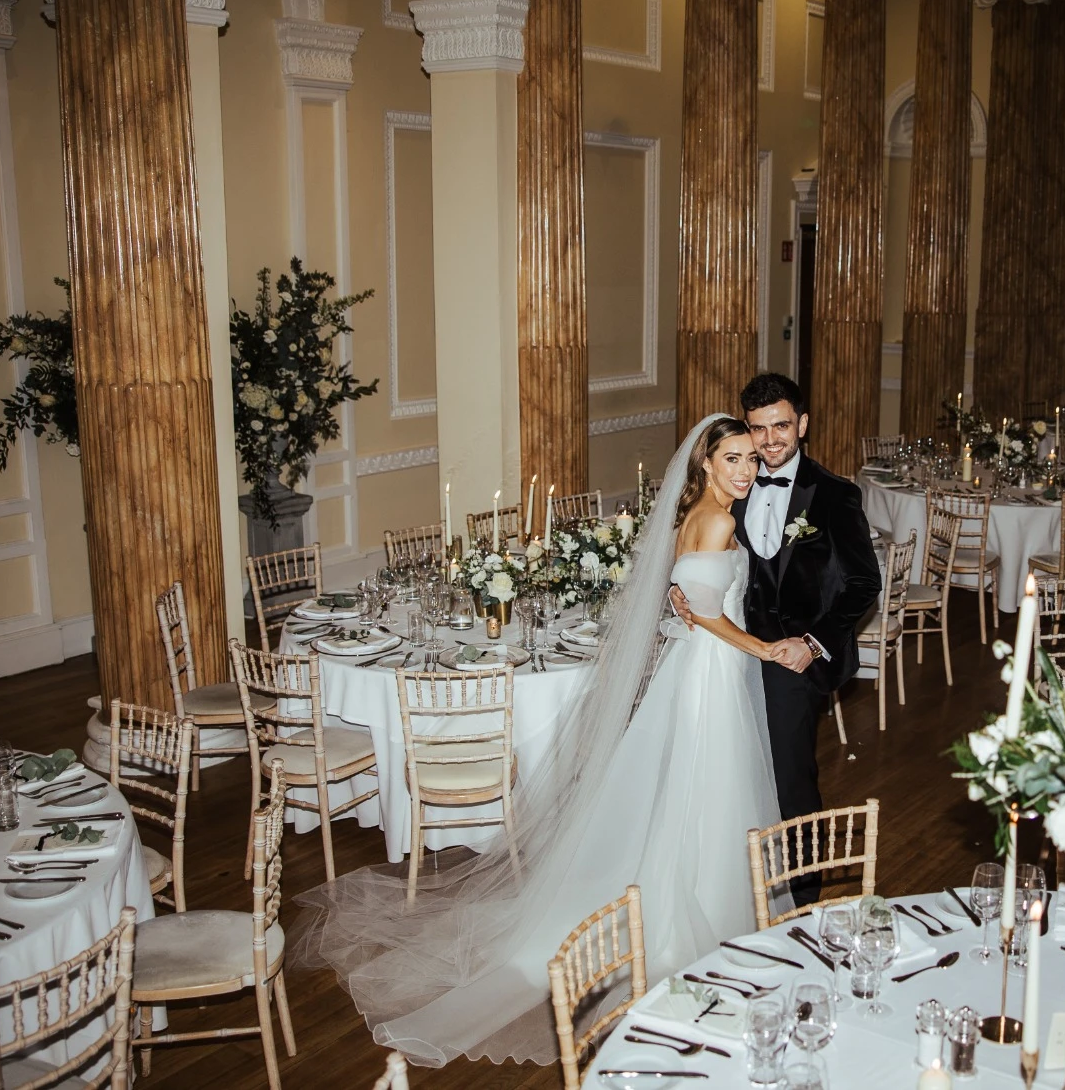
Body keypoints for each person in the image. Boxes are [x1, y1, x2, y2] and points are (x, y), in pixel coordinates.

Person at [293, 414, 792, 1067]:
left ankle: (681, 895)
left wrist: (694, 607)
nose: (746, 470)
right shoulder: (720, 521)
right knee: (708, 786)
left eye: (751, 459)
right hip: (710, 671)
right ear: (706, 463)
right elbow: (705, 612)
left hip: (694, 668)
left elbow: (686, 597)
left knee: (688, 788)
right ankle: (696, 914)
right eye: (733, 458)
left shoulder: (692, 516)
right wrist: (764, 649)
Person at [672, 373, 882, 905]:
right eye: (758, 428)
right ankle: (738, 890)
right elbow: (699, 557)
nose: (768, 441)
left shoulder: (834, 495)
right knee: (731, 774)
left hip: (792, 659)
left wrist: (811, 644)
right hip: (730, 654)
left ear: (802, 425)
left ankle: (803, 900)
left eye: (781, 426)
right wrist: (679, 590)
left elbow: (864, 584)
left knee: (790, 780)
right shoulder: (734, 484)